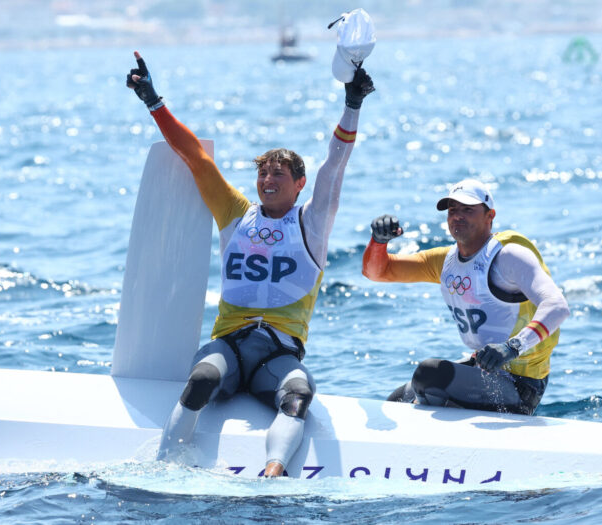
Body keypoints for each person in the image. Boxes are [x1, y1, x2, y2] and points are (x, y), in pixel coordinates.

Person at [127, 51, 374, 476]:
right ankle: (163, 469)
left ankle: (273, 473)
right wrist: (153, 100)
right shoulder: (236, 213)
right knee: (202, 379)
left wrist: (352, 104)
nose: (268, 180)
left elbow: (335, 165)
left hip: (278, 354)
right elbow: (195, 157)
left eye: (278, 175)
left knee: (298, 394)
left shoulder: (312, 223)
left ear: (299, 184)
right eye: (263, 174)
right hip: (229, 345)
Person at [362, 179, 570, 415]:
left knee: (429, 374)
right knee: (399, 398)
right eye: (452, 210)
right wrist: (378, 242)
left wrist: (513, 347)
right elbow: (377, 272)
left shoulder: (510, 256)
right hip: (484, 374)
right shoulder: (445, 261)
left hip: (521, 386)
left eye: (468, 210)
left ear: (489, 216)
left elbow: (557, 306)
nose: (458, 216)